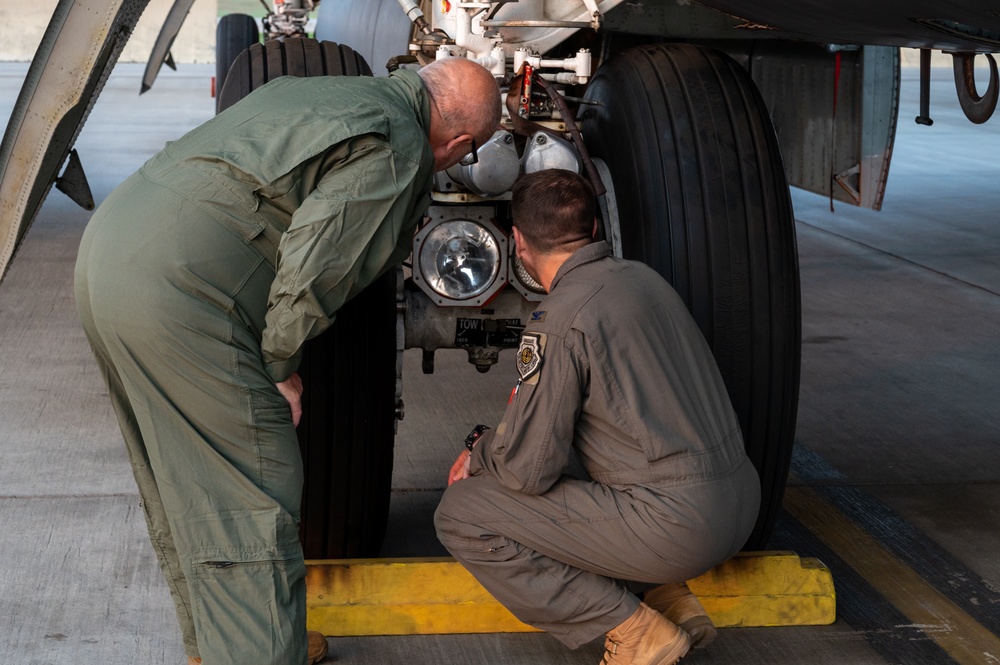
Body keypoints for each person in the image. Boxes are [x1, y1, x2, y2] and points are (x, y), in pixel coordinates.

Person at [74, 57, 501, 665]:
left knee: (192, 481)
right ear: (459, 142)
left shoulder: (328, 92)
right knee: (256, 482)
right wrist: (280, 367)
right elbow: (316, 263)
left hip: (111, 252)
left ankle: (221, 648)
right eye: (470, 152)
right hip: (178, 293)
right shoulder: (400, 147)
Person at [435, 169, 761, 665]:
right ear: (592, 228)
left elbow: (527, 469)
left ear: (517, 241)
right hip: (739, 501)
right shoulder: (643, 278)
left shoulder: (561, 320)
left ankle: (634, 632)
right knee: (591, 446)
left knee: (463, 513)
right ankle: (668, 597)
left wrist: (477, 451)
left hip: (677, 528)